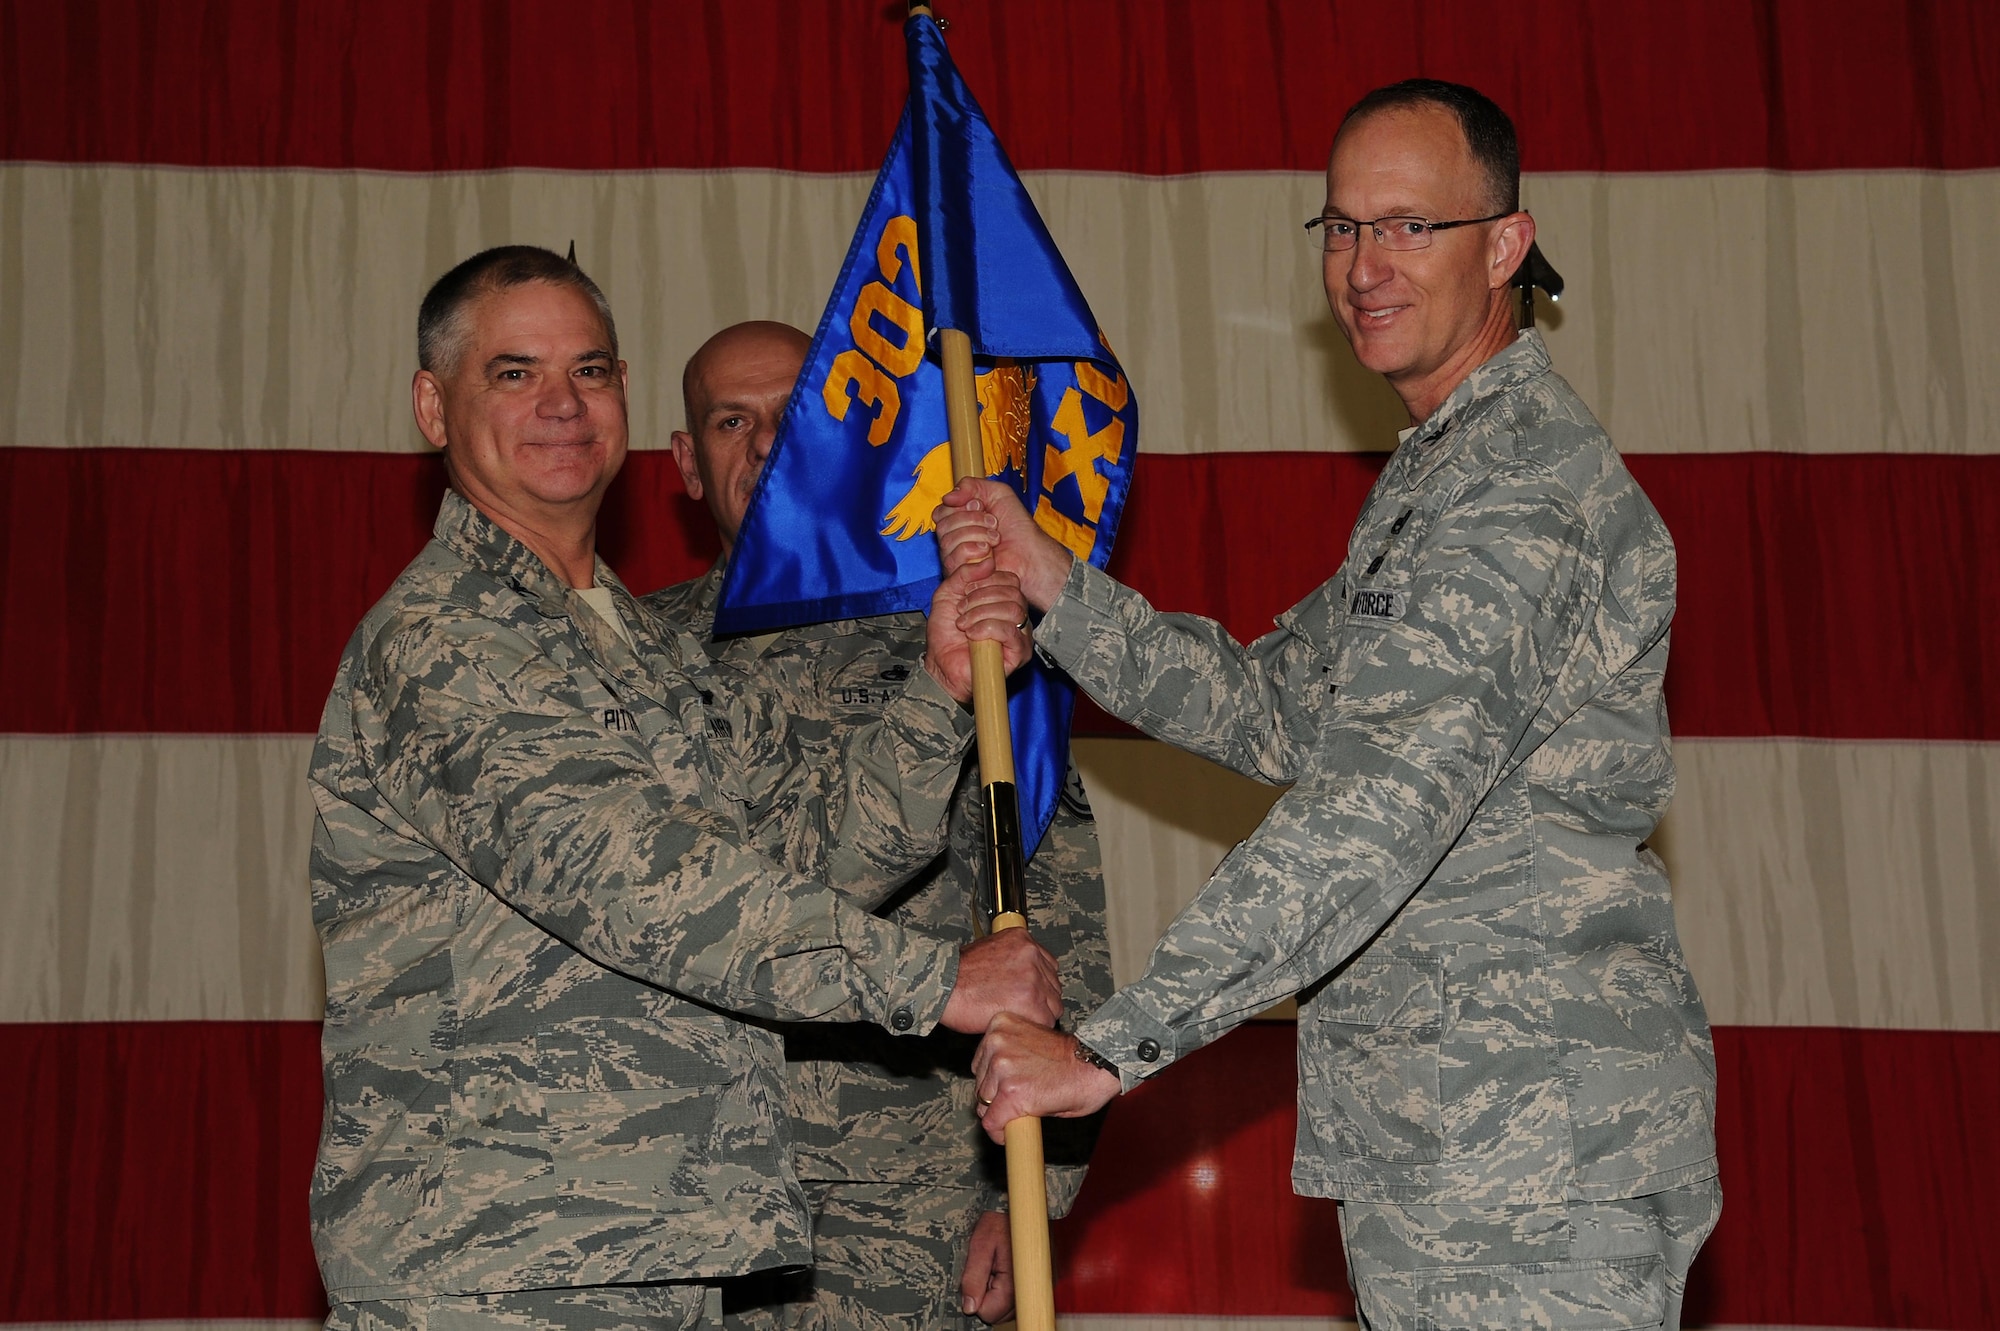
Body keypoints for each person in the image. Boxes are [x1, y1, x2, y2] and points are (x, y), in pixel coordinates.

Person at [941, 81, 1721, 1329]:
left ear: (1504, 246)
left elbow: (1371, 808)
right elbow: (1276, 709)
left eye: (1410, 226)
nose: (1364, 265)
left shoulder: (1516, 494)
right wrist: (1058, 592)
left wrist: (1111, 1044)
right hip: (1450, 1147)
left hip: (1528, 1160)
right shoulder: (1438, 479)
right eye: (1342, 227)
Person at [309, 246, 1062, 1331]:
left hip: (652, 1246)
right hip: (496, 1258)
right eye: (514, 373)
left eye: (592, 370)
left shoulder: (640, 648)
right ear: (434, 405)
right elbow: (643, 885)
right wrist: (936, 979)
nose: (563, 404)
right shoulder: (447, 636)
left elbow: (814, 857)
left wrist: (938, 690)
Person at [646, 322, 1114, 1329]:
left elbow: (1052, 910)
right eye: (733, 422)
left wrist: (1027, 1192)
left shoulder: (964, 638)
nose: (767, 444)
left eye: (793, 416)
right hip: (678, 1182)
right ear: (686, 462)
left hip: (904, 1200)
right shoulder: (628, 658)